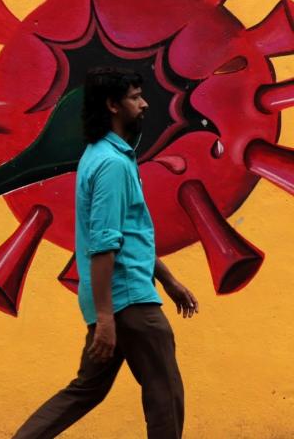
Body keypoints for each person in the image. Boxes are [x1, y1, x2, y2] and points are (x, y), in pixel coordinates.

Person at [12, 68, 199, 439]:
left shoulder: (106, 156)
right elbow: (103, 244)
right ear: (113, 105)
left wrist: (170, 281)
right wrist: (106, 317)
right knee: (165, 393)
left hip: (118, 298)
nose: (144, 103)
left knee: (87, 389)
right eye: (134, 97)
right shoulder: (112, 164)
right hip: (128, 302)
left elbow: (127, 236)